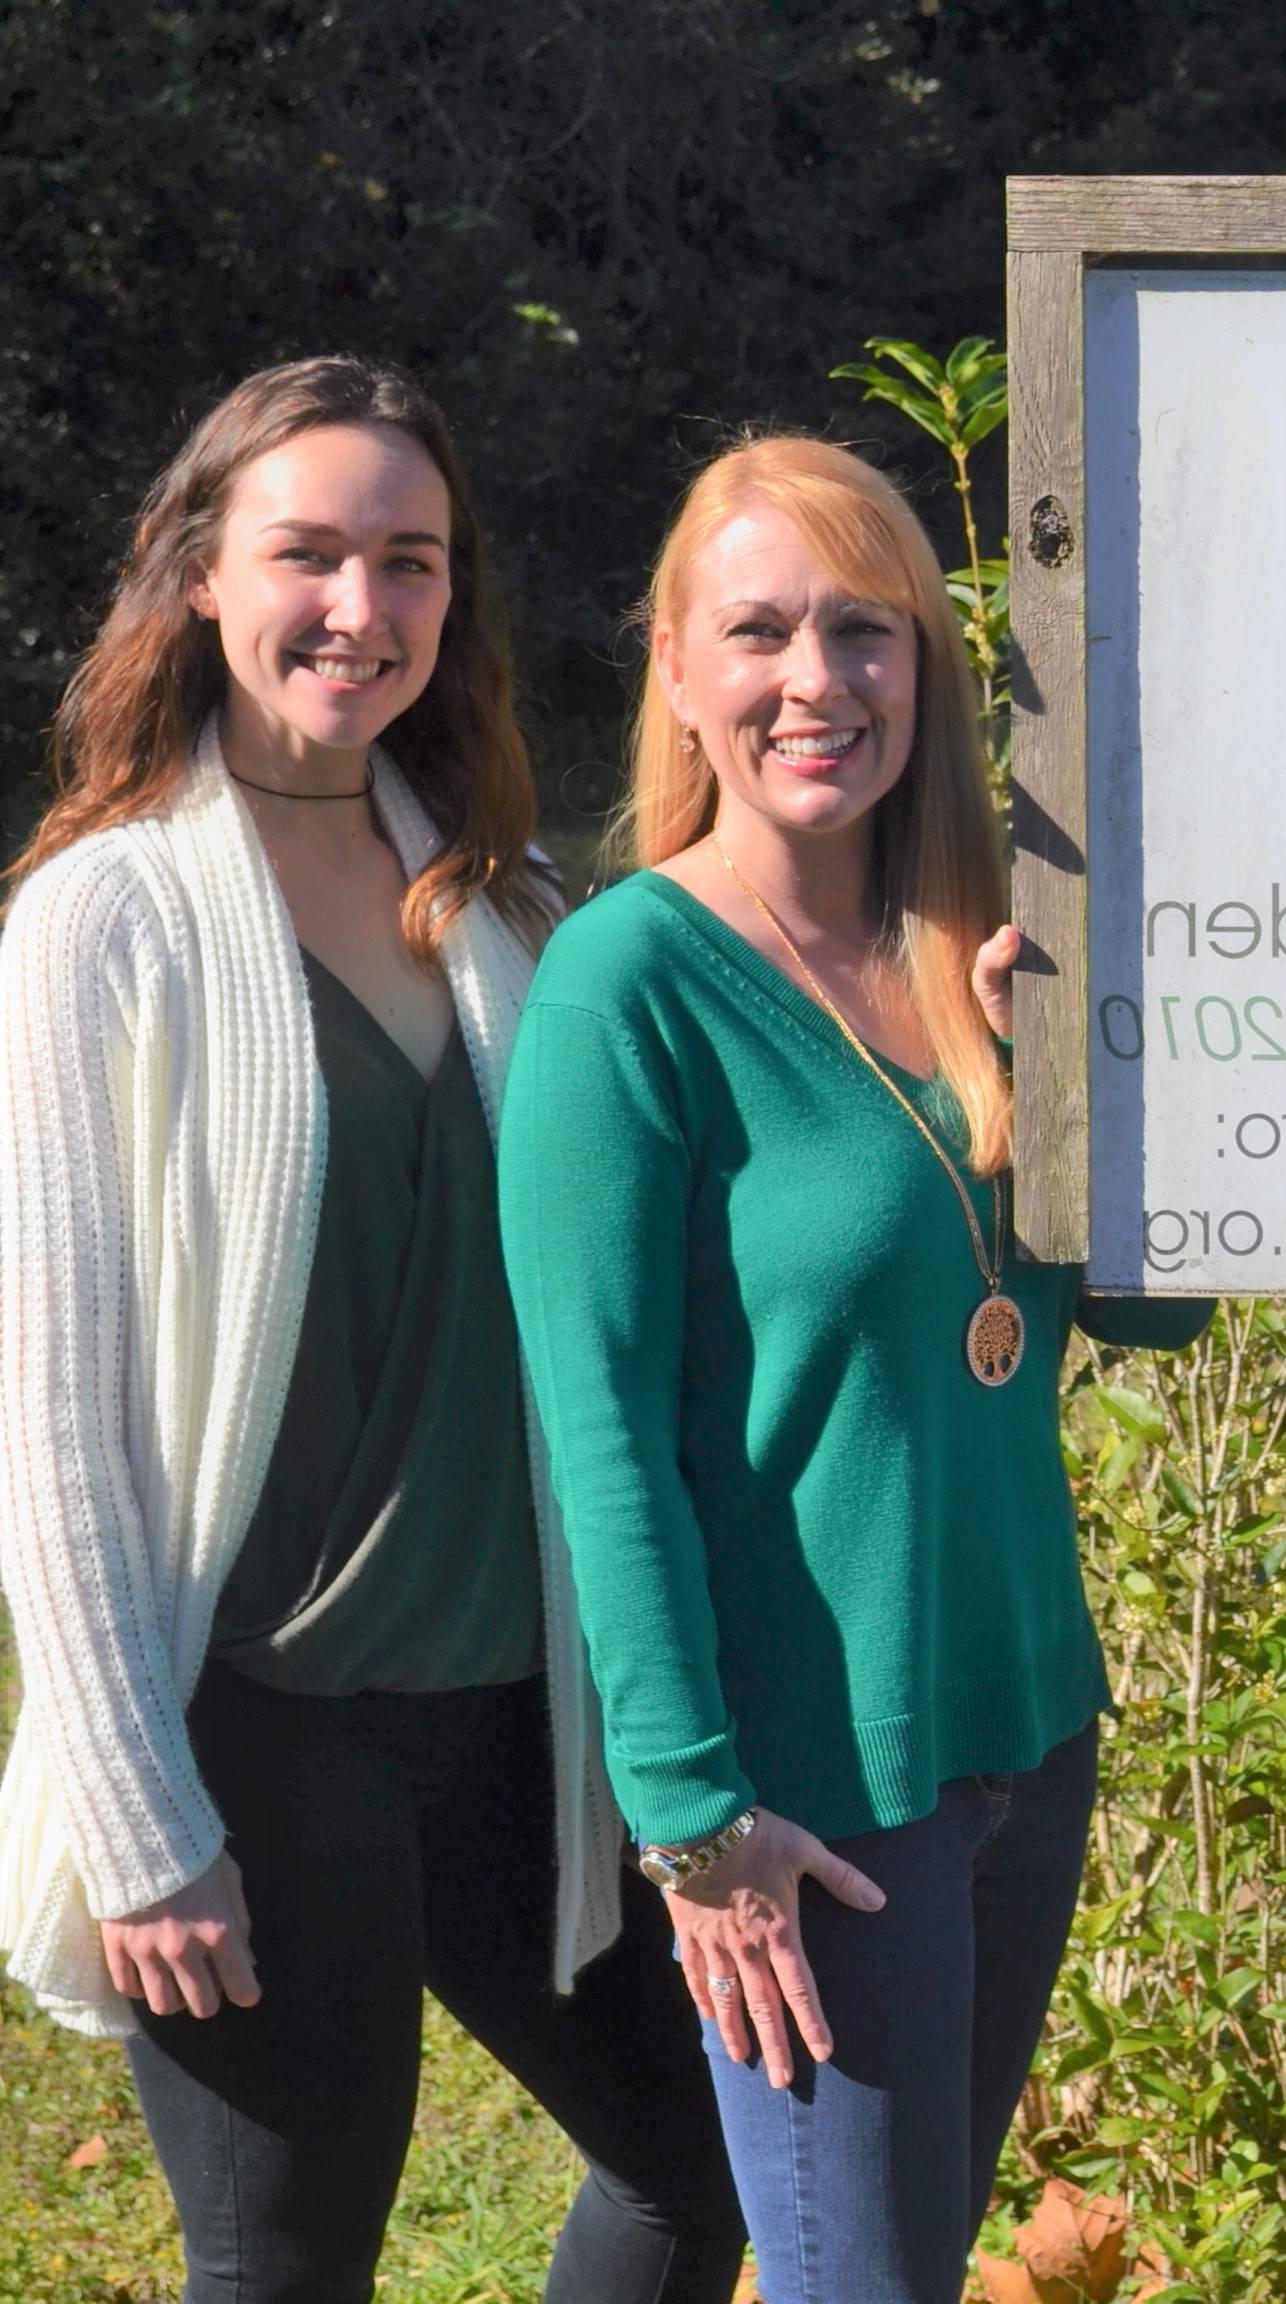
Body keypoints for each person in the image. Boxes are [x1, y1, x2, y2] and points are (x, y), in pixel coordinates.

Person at [0, 357, 741, 2301]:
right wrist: (135, 1814)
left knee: (699, 2166)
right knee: (296, 2260)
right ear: (198, 576)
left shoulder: (501, 904)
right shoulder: (108, 922)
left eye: (409, 561)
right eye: (308, 552)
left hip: (513, 1716)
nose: (361, 605)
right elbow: (53, 1416)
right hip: (258, 1728)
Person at [498, 435, 1211, 2304]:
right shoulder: (627, 984)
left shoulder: (981, 949)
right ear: (675, 670)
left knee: (894, 2261)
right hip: (814, 1793)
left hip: (1022, 1726)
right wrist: (693, 1818)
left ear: (926, 668)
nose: (815, 679)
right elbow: (601, 1434)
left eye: (863, 630)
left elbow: (1154, 1316)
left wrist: (1076, 1092)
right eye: (759, 631)